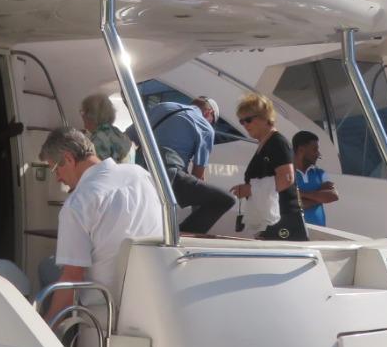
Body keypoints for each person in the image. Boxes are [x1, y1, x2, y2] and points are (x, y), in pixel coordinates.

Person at [38, 128, 164, 347]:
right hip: (151, 294)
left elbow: (72, 278)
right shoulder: (140, 175)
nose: (57, 177)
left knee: (46, 269)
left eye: (55, 169)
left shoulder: (77, 204)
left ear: (68, 158)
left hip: (104, 305)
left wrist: (42, 329)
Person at [136, 97, 234, 235]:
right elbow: (198, 174)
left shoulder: (163, 106)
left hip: (138, 172)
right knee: (225, 199)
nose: (211, 125)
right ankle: (183, 234)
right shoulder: (205, 128)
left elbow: (131, 135)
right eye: (213, 121)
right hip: (168, 175)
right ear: (209, 113)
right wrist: (197, 212)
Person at [230, 94, 307, 241]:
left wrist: (250, 189)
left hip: (284, 219)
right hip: (274, 219)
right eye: (241, 121)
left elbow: (287, 178)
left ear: (265, 118)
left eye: (248, 119)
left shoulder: (277, 142)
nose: (245, 125)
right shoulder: (266, 144)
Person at [292, 130, 338, 228]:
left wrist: (300, 193)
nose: (318, 154)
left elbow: (333, 196)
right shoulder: (286, 174)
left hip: (320, 234)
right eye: (314, 149)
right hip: (295, 234)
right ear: (301, 150)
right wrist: (320, 197)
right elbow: (295, 205)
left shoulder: (320, 173)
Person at [79, 93, 132, 162]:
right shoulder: (117, 132)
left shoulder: (98, 140)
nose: (82, 116)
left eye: (82, 112)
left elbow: (99, 168)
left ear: (90, 115)